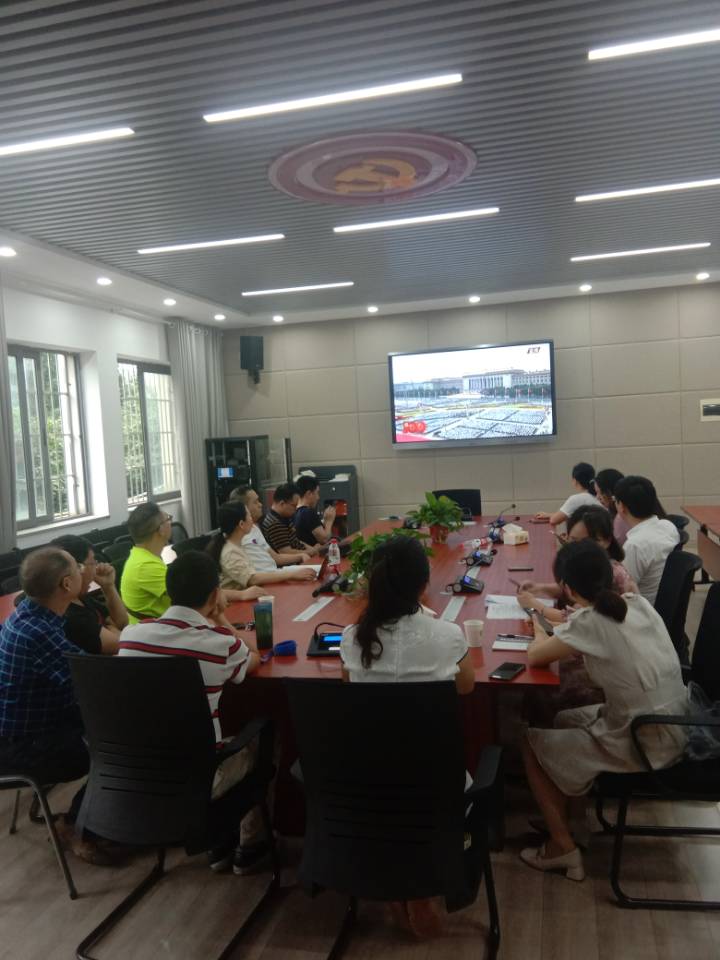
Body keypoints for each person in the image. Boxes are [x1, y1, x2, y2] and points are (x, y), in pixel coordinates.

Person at [520, 540, 686, 882]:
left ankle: (562, 848)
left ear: (567, 588)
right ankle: (575, 823)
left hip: (644, 740)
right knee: (564, 719)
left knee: (528, 743)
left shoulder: (591, 621)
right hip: (676, 725)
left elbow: (535, 656)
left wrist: (536, 621)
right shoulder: (636, 602)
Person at [118, 551, 272, 874]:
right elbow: (256, 658)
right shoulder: (218, 644)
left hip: (139, 771)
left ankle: (218, 843)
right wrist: (222, 620)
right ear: (215, 595)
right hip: (201, 776)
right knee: (263, 734)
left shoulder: (131, 636)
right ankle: (250, 845)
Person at [0, 548, 111, 865]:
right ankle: (76, 825)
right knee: (119, 747)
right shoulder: (38, 632)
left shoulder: (30, 613)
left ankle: (104, 814)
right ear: (66, 584)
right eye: (78, 567)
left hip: (33, 730)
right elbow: (93, 680)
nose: (84, 570)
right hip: (24, 747)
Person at [340, 536, 474, 693]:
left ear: (374, 582)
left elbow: (348, 683)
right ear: (423, 587)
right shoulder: (450, 636)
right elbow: (465, 688)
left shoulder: (351, 638)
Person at [518, 505, 637, 624]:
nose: (581, 549)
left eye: (589, 542)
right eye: (574, 541)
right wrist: (539, 588)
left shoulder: (612, 573)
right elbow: (575, 590)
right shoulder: (585, 567)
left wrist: (534, 605)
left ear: (607, 541)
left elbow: (576, 620)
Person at [208, 502, 316, 591]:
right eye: (248, 515)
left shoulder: (236, 545)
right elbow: (252, 579)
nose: (251, 518)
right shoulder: (231, 552)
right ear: (241, 524)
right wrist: (291, 575)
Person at [51, 535, 128, 654]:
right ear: (77, 568)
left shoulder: (80, 597)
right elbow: (123, 644)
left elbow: (121, 623)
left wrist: (108, 587)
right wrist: (111, 628)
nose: (96, 568)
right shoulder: (69, 615)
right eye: (92, 563)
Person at [614, 476, 679, 604]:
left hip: (642, 608)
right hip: (665, 602)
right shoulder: (668, 526)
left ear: (621, 506)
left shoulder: (634, 545)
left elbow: (623, 590)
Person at [228, 486, 310, 571]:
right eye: (255, 502)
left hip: (275, 572)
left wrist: (300, 556)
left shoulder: (254, 528)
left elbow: (275, 557)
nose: (260, 505)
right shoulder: (238, 537)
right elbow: (254, 575)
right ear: (243, 508)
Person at [120, 502, 173, 622]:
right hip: (153, 631)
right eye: (168, 519)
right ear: (161, 530)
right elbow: (190, 596)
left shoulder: (141, 557)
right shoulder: (145, 566)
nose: (170, 522)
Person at [261, 482, 320, 555]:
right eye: (294, 506)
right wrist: (310, 552)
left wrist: (312, 550)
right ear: (282, 503)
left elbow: (296, 541)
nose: (295, 509)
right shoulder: (274, 523)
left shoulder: (283, 517)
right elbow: (286, 552)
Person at [535, 462, 600, 527]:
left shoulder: (577, 499)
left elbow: (554, 520)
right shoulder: (599, 497)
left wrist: (551, 516)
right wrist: (549, 515)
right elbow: (565, 514)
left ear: (575, 480)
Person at [293, 476, 336, 547]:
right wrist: (329, 521)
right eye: (317, 493)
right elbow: (324, 539)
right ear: (309, 493)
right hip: (311, 553)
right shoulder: (308, 513)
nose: (318, 497)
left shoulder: (294, 511)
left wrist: (325, 521)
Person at [593, 468, 629, 546]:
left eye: (599, 493)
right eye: (596, 493)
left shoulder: (621, 517)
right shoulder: (610, 513)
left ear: (610, 492)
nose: (597, 497)